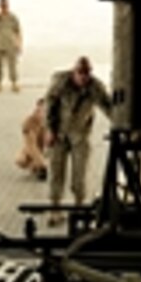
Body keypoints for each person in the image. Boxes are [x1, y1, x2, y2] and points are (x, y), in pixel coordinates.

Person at [45, 56, 111, 224]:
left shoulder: (95, 87)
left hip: (80, 134)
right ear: (74, 72)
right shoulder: (61, 82)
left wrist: (121, 124)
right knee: (56, 172)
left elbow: (107, 106)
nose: (83, 78)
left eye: (86, 74)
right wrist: (50, 130)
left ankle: (78, 207)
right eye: (80, 74)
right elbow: (50, 105)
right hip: (59, 132)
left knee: (79, 173)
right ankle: (55, 209)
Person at [0, 0, 22, 93]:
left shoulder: (13, 17)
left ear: (8, 5)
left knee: (12, 65)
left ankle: (14, 83)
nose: (3, 6)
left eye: (5, 4)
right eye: (2, 5)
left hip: (10, 44)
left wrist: (19, 44)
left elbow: (18, 31)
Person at [16, 98, 49, 180]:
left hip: (46, 147)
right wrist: (41, 164)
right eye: (38, 110)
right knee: (21, 160)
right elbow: (31, 145)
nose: (41, 113)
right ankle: (37, 166)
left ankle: (38, 165)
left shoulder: (51, 120)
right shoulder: (29, 123)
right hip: (33, 147)